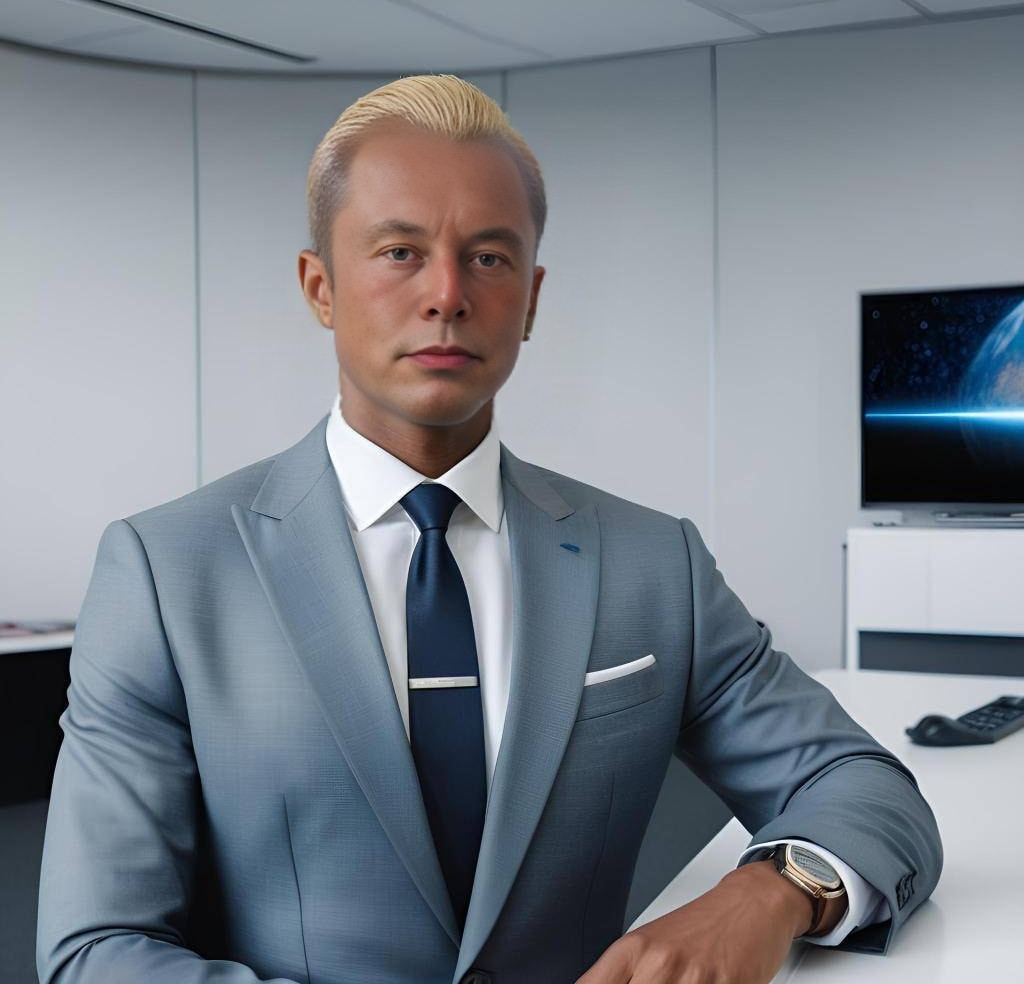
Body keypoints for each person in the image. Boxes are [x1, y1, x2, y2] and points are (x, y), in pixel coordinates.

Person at [36, 74, 941, 984]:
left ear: (532, 297)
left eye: (490, 258)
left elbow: (865, 789)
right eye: (399, 251)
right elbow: (95, 949)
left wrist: (771, 891)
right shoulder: (166, 572)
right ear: (320, 286)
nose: (446, 296)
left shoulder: (650, 564)